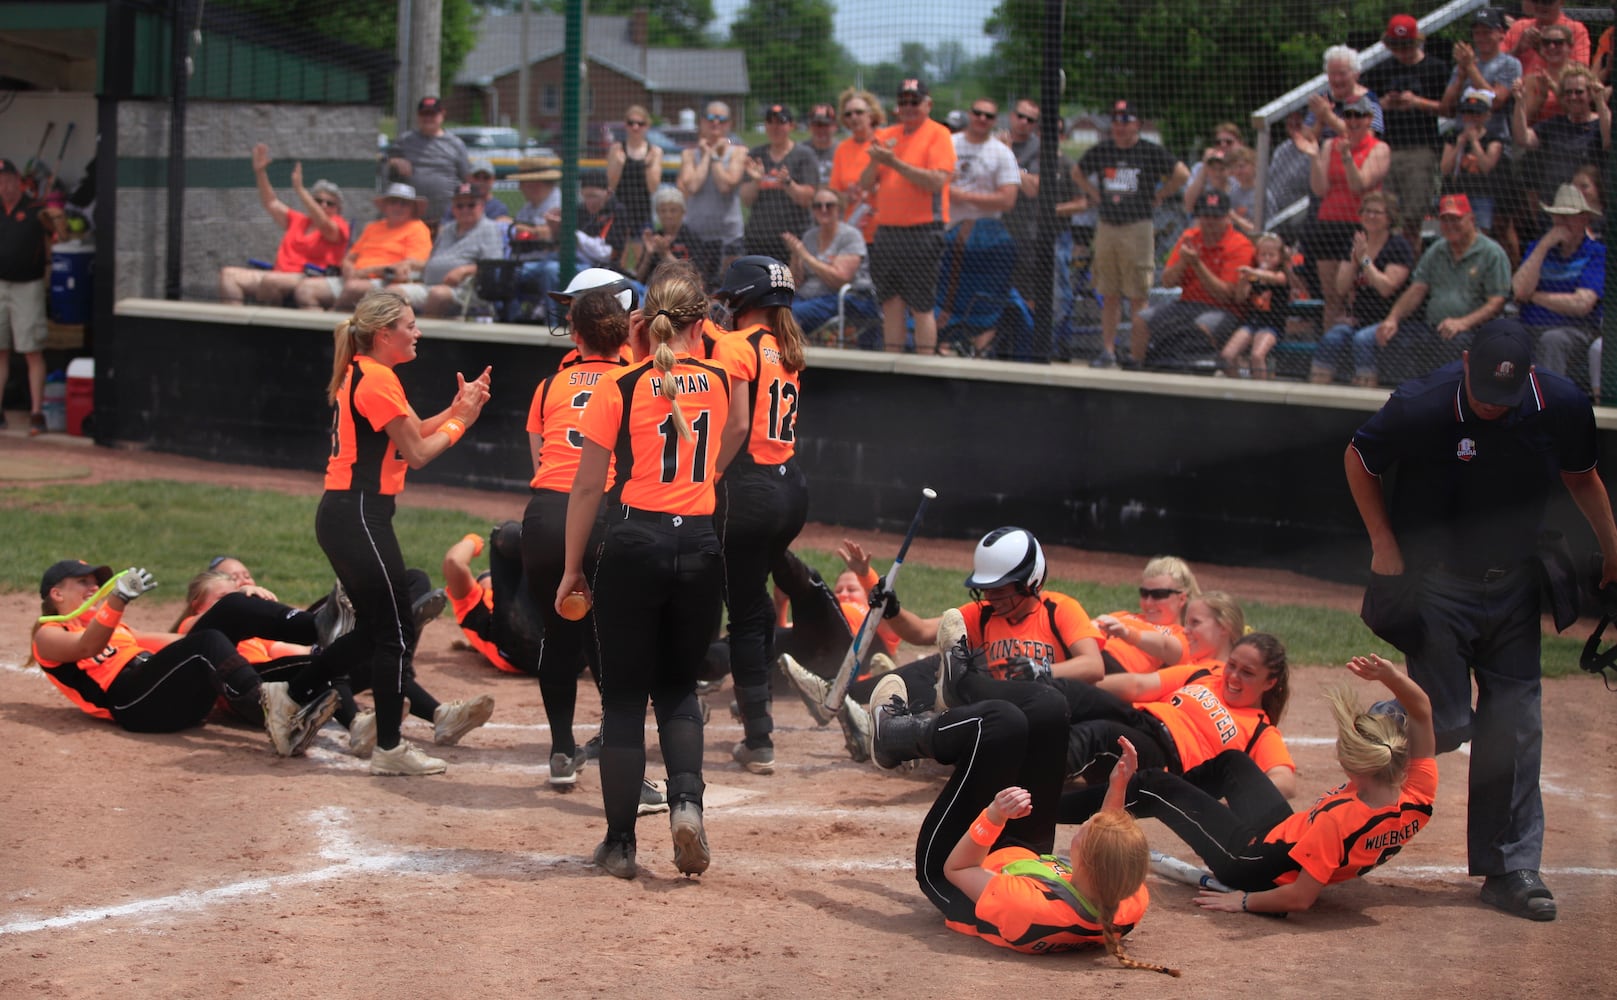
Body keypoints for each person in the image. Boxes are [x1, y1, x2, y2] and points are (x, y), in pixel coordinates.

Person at [1345, 317, 1617, 920]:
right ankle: (1369, 742)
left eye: (1507, 399)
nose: (1494, 410)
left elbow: (1582, 477)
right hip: (1436, 583)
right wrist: (1383, 541)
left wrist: (1614, 549)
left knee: (1515, 722)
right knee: (1446, 721)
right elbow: (1360, 455)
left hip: (1517, 584)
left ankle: (1511, 867)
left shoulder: (1561, 405)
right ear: (1465, 363)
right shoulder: (1423, 403)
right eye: (1485, 398)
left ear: (1530, 380)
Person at [556, 260, 749, 879]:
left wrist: (570, 570)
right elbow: (738, 427)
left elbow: (587, 490)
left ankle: (620, 843)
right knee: (677, 691)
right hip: (697, 544)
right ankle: (686, 806)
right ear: (703, 321)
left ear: (644, 320)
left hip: (635, 541)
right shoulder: (722, 379)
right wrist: (711, 474)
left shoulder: (622, 385)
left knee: (621, 699)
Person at [1061, 654, 1435, 916]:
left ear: (1355, 765)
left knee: (1152, 785)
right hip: (1286, 837)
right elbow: (1422, 710)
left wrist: (1242, 902)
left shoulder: (1339, 819)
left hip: (1254, 865)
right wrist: (1390, 676)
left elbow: (1302, 897)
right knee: (1232, 763)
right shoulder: (1418, 793)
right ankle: (1184, 804)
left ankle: (1047, 811)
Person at [317, 289, 492, 776]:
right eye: (410, 326)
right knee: (394, 631)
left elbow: (410, 434)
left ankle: (291, 692)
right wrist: (462, 422)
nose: (417, 333)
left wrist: (460, 410)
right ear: (383, 335)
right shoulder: (376, 379)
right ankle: (390, 749)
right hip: (357, 514)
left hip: (353, 514)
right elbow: (416, 453)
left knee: (379, 629)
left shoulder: (373, 374)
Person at [894, 688, 1177, 974]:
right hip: (1023, 858)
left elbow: (958, 868)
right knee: (1049, 707)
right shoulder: (1124, 896)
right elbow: (1109, 847)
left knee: (1000, 723)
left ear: (1087, 856)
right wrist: (1117, 787)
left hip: (955, 872)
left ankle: (900, 736)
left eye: (1090, 825)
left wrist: (993, 817)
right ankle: (962, 685)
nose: (1092, 819)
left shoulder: (1031, 906)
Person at [29, 561, 339, 751]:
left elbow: (179, 641)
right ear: (57, 594)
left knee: (230, 608)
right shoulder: (48, 634)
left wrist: (240, 613)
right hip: (132, 705)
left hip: (164, 693)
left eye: (95, 582)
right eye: (83, 582)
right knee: (208, 642)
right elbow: (86, 647)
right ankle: (273, 711)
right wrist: (117, 600)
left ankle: (319, 625)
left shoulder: (119, 628)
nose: (94, 586)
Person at [521, 281, 631, 785]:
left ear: (577, 334)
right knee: (611, 637)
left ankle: (561, 750)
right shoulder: (637, 378)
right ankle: (616, 740)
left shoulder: (548, 386)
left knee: (558, 631)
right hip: (606, 514)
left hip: (546, 515)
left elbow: (541, 462)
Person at [709, 255, 808, 774]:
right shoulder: (786, 346)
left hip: (749, 487)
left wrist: (708, 476)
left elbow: (737, 424)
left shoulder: (734, 345)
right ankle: (753, 700)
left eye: (729, 302)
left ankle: (759, 738)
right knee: (760, 606)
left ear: (743, 300)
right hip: (792, 489)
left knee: (744, 610)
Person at [1061, 632, 1297, 798]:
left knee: (1098, 734)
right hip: (1142, 721)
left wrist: (1237, 795)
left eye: (1247, 672)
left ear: (1269, 682)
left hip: (1165, 759)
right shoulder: (1208, 672)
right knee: (1074, 693)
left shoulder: (1261, 730)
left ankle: (1033, 779)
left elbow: (1285, 781)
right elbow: (1139, 686)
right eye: (1232, 665)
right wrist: (1085, 692)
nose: (1233, 676)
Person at [1078, 99, 1189, 369]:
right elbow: (1077, 171)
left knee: (1138, 292)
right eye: (1116, 120)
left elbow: (1181, 174)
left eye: (1126, 120)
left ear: (1137, 123)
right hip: (1108, 225)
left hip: (1138, 226)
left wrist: (1159, 195)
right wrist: (1095, 195)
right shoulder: (1103, 150)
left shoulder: (1149, 151)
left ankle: (1136, 353)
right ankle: (1108, 351)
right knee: (1109, 291)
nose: (1120, 126)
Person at [860, 78, 957, 355]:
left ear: (928, 104)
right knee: (890, 302)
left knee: (921, 305)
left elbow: (937, 181)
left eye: (915, 101)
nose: (909, 107)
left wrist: (894, 163)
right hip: (888, 231)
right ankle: (894, 362)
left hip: (923, 230)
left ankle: (924, 367)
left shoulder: (938, 134)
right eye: (903, 102)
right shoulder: (888, 134)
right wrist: (876, 160)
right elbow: (866, 183)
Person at [1376, 193, 1510, 380]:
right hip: (1434, 327)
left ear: (1471, 219)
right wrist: (1392, 318)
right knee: (1396, 338)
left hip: (1473, 331)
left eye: (1456, 219)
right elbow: (1416, 290)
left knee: (1455, 344)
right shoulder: (1436, 250)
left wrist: (1463, 323)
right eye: (1444, 220)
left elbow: (1497, 302)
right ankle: (1406, 396)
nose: (1449, 225)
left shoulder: (1491, 253)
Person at [1130, 191, 1253, 369]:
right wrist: (1183, 262)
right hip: (1187, 304)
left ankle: (1192, 371)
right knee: (1142, 319)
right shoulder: (1190, 237)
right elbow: (1167, 282)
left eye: (1215, 217)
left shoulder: (1239, 245)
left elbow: (1226, 296)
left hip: (1224, 310)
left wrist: (1197, 264)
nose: (1209, 222)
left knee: (1201, 327)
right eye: (1205, 216)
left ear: (1228, 217)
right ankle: (1138, 369)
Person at [219, 144, 349, 306]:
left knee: (270, 281)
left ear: (338, 209)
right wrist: (260, 172)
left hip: (310, 277)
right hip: (278, 273)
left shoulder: (339, 225)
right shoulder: (298, 220)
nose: (323, 206)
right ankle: (235, 326)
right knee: (229, 275)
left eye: (329, 203)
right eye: (318, 201)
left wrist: (300, 190)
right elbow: (271, 202)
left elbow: (324, 225)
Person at [1362, 14, 1451, 247]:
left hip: (1420, 148)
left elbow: (1449, 109)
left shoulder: (1436, 68)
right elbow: (1363, 111)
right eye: (1396, 46)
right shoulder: (1381, 70)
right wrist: (1384, 104)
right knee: (1384, 217)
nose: (1401, 51)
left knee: (1412, 219)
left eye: (1406, 45)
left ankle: (1410, 273)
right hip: (1386, 148)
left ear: (1416, 42)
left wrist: (1417, 102)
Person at [1310, 191, 1415, 386]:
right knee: (1331, 338)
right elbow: (1341, 288)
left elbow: (1386, 288)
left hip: (1389, 319)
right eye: (1366, 211)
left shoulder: (1398, 246)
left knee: (1363, 340)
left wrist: (1365, 260)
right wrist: (1354, 259)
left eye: (1377, 212)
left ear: (1389, 218)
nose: (1370, 216)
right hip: (1359, 318)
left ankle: (1366, 391)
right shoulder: (1356, 244)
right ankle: (1316, 394)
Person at [1309, 94, 1391, 329]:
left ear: (1369, 119)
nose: (1353, 121)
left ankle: (1351, 350)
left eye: (1360, 116)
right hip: (1328, 222)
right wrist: (1314, 157)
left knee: (1351, 295)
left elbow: (1359, 184)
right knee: (1332, 297)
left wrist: (1346, 157)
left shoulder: (1379, 148)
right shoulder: (1329, 145)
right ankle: (1327, 354)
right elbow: (1320, 188)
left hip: (1357, 224)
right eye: (1349, 116)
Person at [1512, 184, 1605, 388]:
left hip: (1575, 331)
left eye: (1568, 216)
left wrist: (1535, 297)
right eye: (1558, 216)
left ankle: (1547, 405)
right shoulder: (1538, 248)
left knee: (1553, 340)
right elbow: (1519, 291)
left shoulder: (1596, 252)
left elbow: (1582, 304)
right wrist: (1544, 246)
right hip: (1528, 326)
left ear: (1584, 219)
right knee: (1503, 333)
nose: (1561, 222)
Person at [293, 183, 432, 312]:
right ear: (385, 206)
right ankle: (317, 329)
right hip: (353, 279)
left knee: (354, 289)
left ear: (413, 208)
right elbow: (349, 258)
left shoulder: (417, 229)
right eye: (393, 202)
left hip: (384, 282)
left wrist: (366, 272)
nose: (398, 207)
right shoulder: (372, 227)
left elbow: (410, 266)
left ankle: (334, 323)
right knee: (305, 289)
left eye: (404, 204)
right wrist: (348, 269)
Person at [0, 156, 55, 434]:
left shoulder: (35, 208)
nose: (5, 187)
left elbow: (58, 234)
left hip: (27, 286)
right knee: (0, 351)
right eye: (0, 182)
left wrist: (58, 227)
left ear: (18, 180)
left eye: (9, 180)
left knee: (32, 350)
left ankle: (36, 414)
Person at [401, 183, 506, 318]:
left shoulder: (489, 228)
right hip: (429, 285)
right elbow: (433, 261)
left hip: (466, 290)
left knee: (438, 295)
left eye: (471, 205)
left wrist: (464, 270)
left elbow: (494, 265)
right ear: (453, 208)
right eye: (459, 206)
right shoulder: (447, 229)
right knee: (393, 294)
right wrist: (411, 266)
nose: (465, 210)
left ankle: (421, 336)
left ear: (482, 206)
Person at [780, 186, 872, 337]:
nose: (823, 209)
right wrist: (795, 255)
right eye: (818, 206)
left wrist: (806, 256)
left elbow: (840, 280)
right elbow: (795, 282)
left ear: (839, 208)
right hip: (806, 296)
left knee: (791, 315)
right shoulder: (809, 236)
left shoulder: (850, 236)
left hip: (839, 299)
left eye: (829, 205)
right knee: (773, 310)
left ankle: (795, 355)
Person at [1091, 555, 1199, 674]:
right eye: (1144, 593)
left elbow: (1165, 647)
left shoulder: (1183, 635)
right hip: (1089, 653)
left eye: (1158, 594)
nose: (1148, 602)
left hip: (1114, 669)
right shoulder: (1123, 615)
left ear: (1182, 599)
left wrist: (1127, 634)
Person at [740, 104, 817, 265]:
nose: (775, 128)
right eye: (770, 122)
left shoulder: (804, 155)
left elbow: (808, 198)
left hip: (794, 237)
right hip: (759, 236)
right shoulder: (756, 154)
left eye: (780, 122)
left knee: (790, 286)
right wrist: (756, 181)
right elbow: (746, 200)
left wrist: (788, 183)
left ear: (791, 125)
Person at [677, 101, 747, 269]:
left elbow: (725, 186)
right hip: (696, 236)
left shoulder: (739, 152)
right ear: (701, 122)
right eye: (710, 118)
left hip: (729, 237)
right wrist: (708, 155)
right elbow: (692, 186)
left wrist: (715, 156)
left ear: (729, 124)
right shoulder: (689, 154)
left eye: (721, 119)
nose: (715, 123)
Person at [386, 96, 471, 226]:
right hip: (411, 218)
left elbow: (467, 179)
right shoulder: (405, 141)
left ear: (442, 115)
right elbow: (384, 168)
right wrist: (394, 161)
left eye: (432, 114)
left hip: (446, 218)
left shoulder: (455, 144)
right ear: (417, 116)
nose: (428, 118)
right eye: (424, 114)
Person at [1220, 232, 1293, 379]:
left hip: (1271, 325)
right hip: (1252, 323)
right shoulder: (1254, 278)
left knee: (1257, 356)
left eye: (1271, 255)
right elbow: (1240, 298)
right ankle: (1238, 387)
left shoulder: (1281, 275)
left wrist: (1255, 272)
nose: (1266, 258)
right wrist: (1243, 281)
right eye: (1263, 254)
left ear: (1279, 257)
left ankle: (1260, 394)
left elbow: (1275, 279)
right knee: (1227, 355)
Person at [1439, 87, 1510, 236]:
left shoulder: (1494, 139)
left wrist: (1474, 142)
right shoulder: (1453, 138)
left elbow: (1486, 167)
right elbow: (1445, 169)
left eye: (1476, 114)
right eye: (1467, 113)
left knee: (1480, 233)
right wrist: (1459, 145)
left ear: (1486, 116)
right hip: (1455, 194)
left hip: (1481, 194)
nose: (1471, 118)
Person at [829, 88, 883, 246]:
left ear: (871, 114)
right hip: (854, 232)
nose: (853, 117)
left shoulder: (884, 140)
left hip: (883, 229)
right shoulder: (842, 149)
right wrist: (847, 196)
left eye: (859, 112)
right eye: (848, 114)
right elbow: (835, 193)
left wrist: (876, 188)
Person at [606, 105, 662, 240]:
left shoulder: (654, 151)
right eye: (631, 123)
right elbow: (611, 185)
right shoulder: (616, 149)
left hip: (643, 210)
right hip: (620, 209)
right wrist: (619, 165)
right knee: (618, 253)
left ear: (647, 126)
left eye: (640, 124)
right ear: (625, 125)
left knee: (643, 253)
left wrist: (647, 165)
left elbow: (653, 187)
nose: (635, 127)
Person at [802, 103, 840, 185]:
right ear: (809, 126)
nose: (821, 129)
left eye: (825, 125)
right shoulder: (800, 151)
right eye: (817, 125)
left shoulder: (842, 150)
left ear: (835, 126)